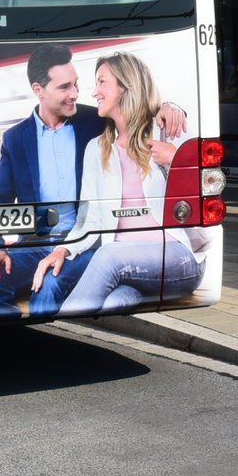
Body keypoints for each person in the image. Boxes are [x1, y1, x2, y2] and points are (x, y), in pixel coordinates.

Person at [0, 43, 182, 318]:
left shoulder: (93, 120)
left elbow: (134, 107)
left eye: (76, 84)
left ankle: (50, 352)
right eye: (64, 88)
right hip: (34, 244)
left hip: (85, 240)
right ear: (39, 90)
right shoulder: (15, 138)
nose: (74, 94)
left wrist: (170, 106)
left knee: (49, 285)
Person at [38, 51, 205, 317]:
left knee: (108, 256)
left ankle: (48, 344)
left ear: (126, 86)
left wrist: (176, 160)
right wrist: (63, 249)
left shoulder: (167, 129)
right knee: (118, 300)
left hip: (179, 257)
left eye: (102, 82)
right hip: (128, 267)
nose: (94, 93)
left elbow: (210, 191)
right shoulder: (97, 149)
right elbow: (90, 220)